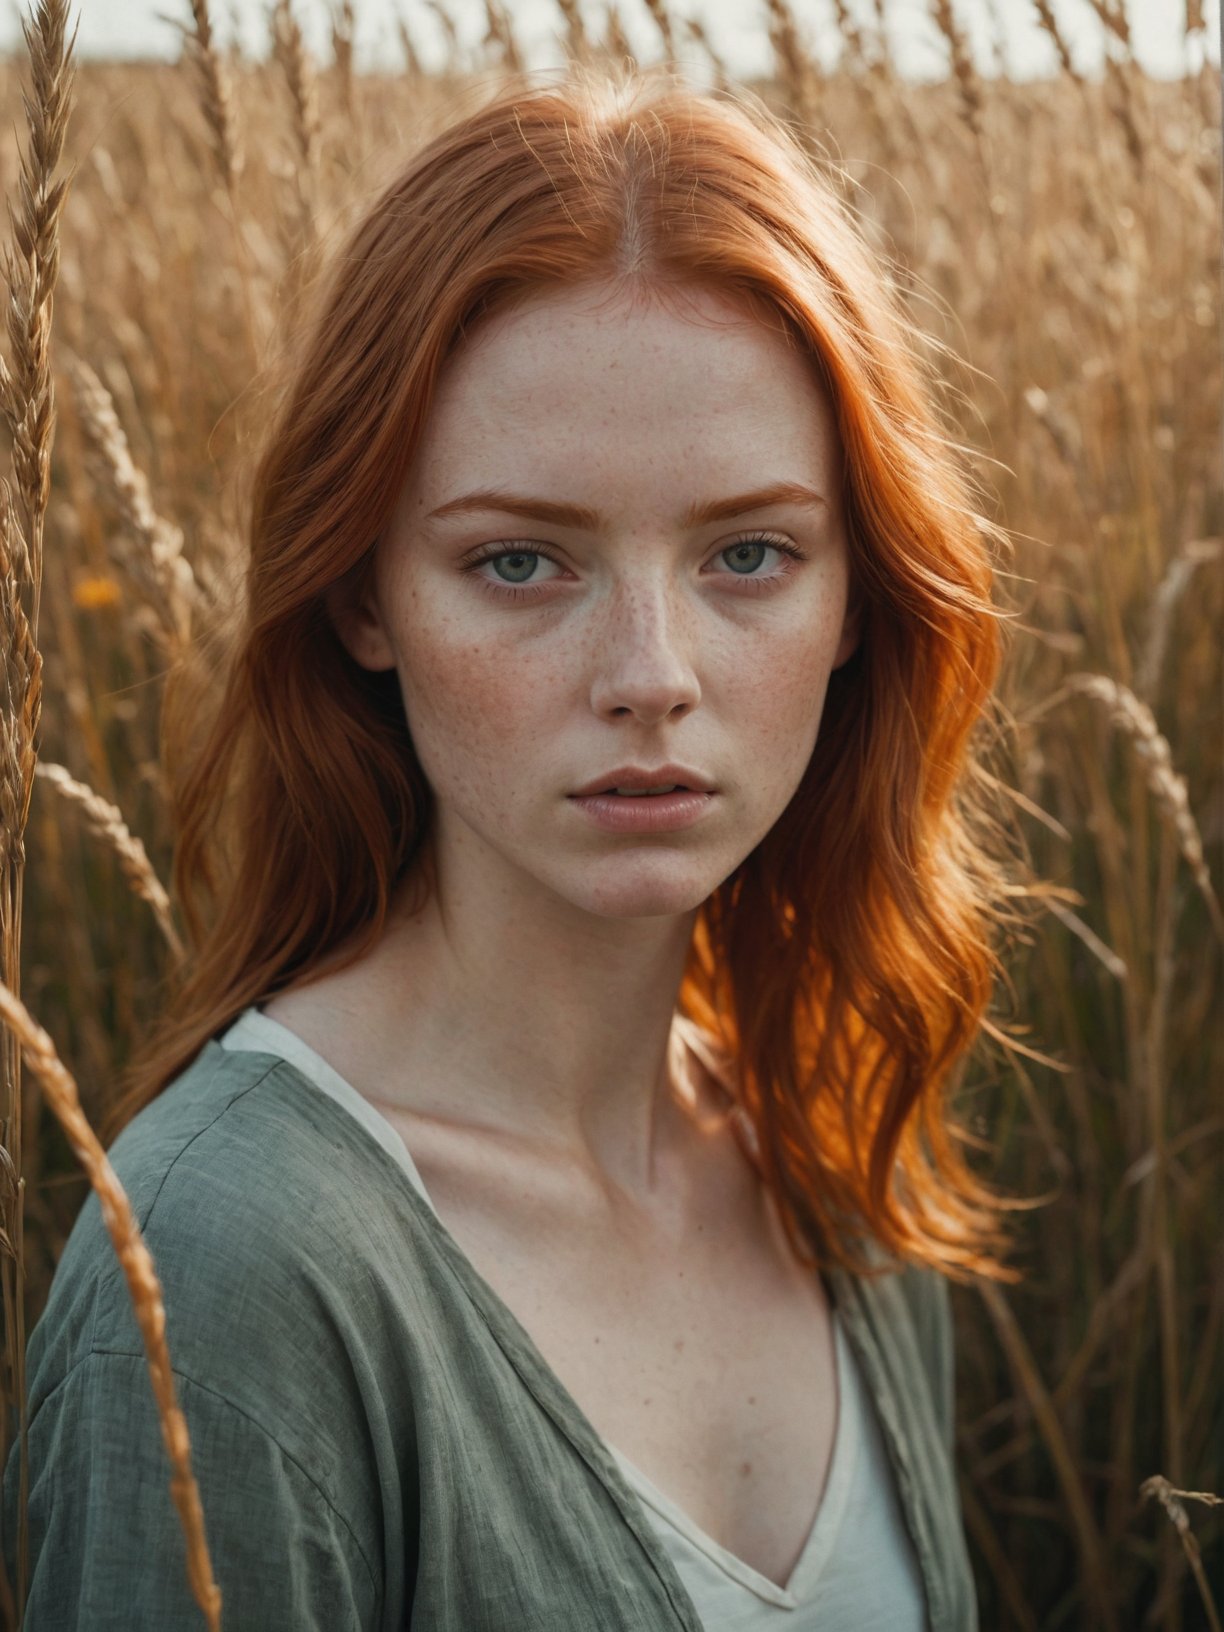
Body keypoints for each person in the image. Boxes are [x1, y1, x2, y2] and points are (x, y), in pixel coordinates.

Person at [3, 63, 1027, 1629]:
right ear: (364, 598)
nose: (651, 674)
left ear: (855, 603)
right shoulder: (231, 1277)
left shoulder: (831, 1151)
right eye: (522, 560)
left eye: (749, 553)